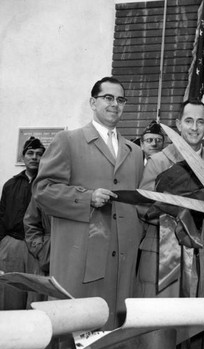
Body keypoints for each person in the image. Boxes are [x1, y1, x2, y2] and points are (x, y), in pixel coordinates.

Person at [33, 76, 144, 329]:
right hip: (81, 261)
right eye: (108, 98)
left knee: (110, 338)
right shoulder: (68, 141)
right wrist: (87, 197)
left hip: (122, 265)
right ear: (93, 102)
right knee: (74, 336)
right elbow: (43, 191)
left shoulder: (135, 152)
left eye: (120, 99)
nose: (114, 104)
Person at [137, 99, 204, 349]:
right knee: (159, 326)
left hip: (198, 256)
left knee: (192, 324)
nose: (194, 127)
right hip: (164, 251)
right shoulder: (159, 161)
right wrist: (175, 211)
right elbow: (143, 206)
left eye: (200, 122)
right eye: (188, 121)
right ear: (179, 123)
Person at [0, 137, 45, 309]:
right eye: (30, 153)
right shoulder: (10, 185)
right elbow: (2, 215)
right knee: (10, 292)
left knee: (36, 296)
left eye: (39, 154)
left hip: (37, 245)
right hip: (12, 245)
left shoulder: (48, 184)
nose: (34, 157)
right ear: (23, 156)